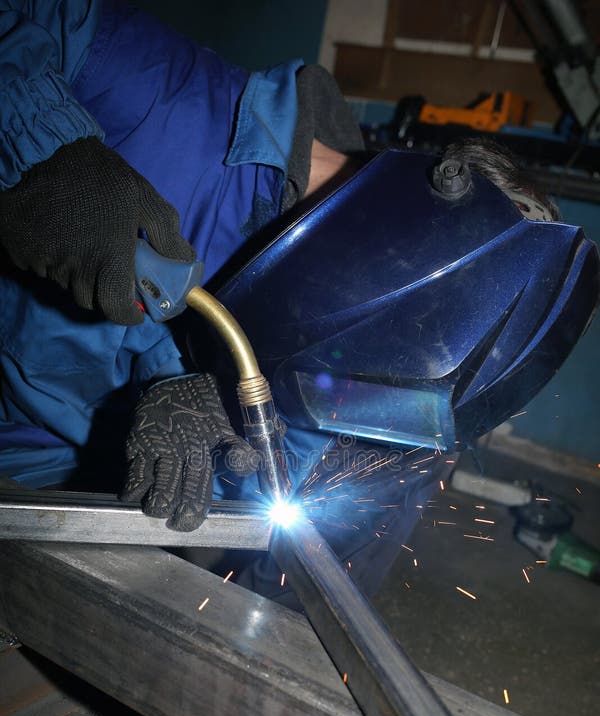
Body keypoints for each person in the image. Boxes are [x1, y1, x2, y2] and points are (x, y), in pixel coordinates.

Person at [0, 1, 592, 606]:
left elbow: (297, 467)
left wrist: (228, 406)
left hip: (54, 462)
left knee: (399, 471)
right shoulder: (170, 105)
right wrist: (46, 153)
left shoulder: (357, 357)